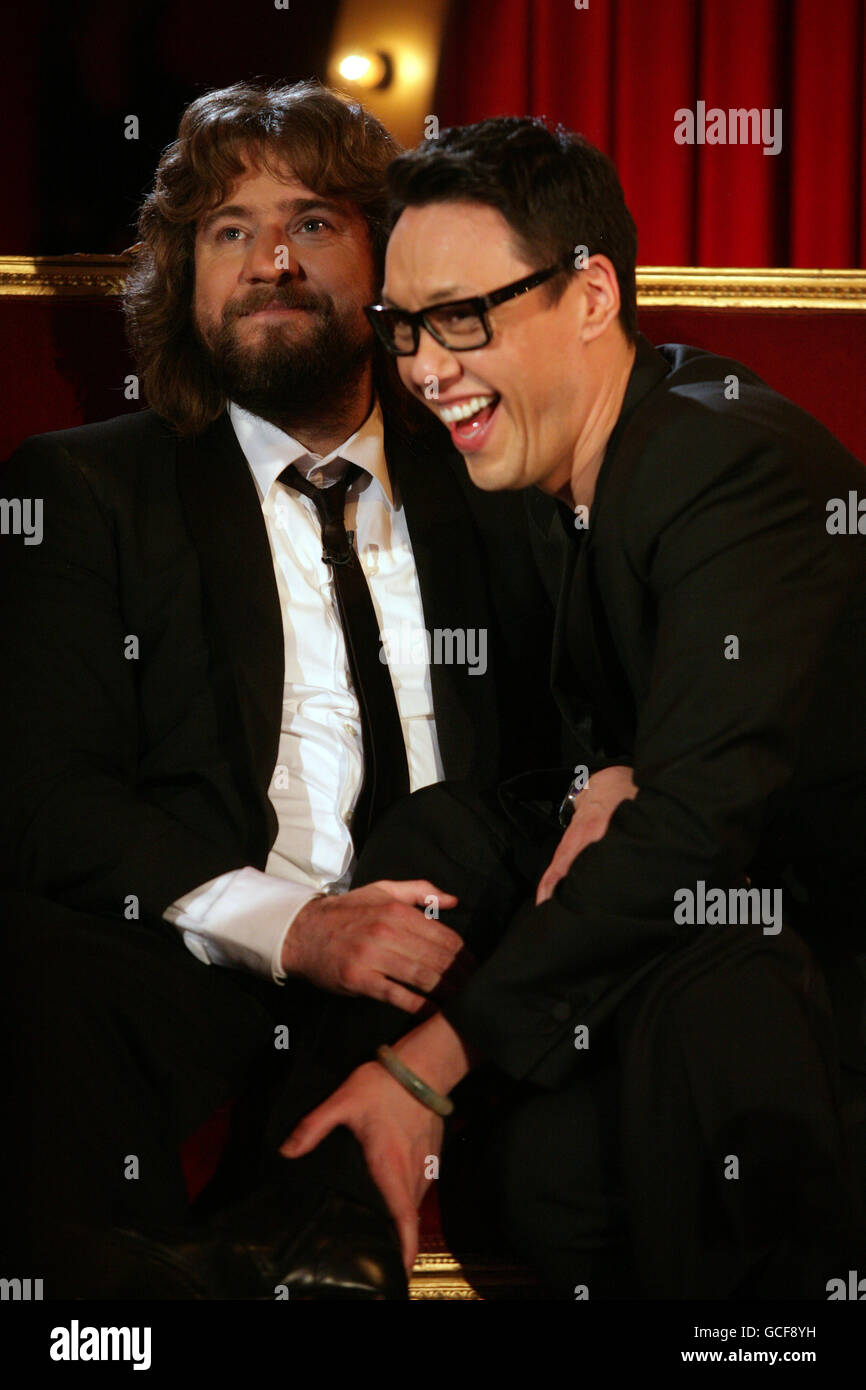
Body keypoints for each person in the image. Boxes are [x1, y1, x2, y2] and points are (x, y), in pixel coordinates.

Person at [282, 116, 866, 1299]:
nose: (425, 366)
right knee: (437, 841)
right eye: (401, 326)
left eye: (462, 316)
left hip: (807, 944)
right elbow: (631, 733)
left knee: (681, 1028)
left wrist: (432, 1060)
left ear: (590, 293)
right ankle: (311, 1207)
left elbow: (695, 828)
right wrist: (605, 767)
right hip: (709, 905)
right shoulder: (561, 451)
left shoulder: (722, 466)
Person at [0, 86, 563, 1300]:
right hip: (205, 946)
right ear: (183, 275)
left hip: (451, 942)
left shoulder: (496, 474)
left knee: (448, 833)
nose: (268, 260)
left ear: (385, 261)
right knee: (33, 963)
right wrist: (296, 928)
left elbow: (565, 751)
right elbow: (47, 799)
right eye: (227, 230)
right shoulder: (88, 491)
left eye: (311, 223)